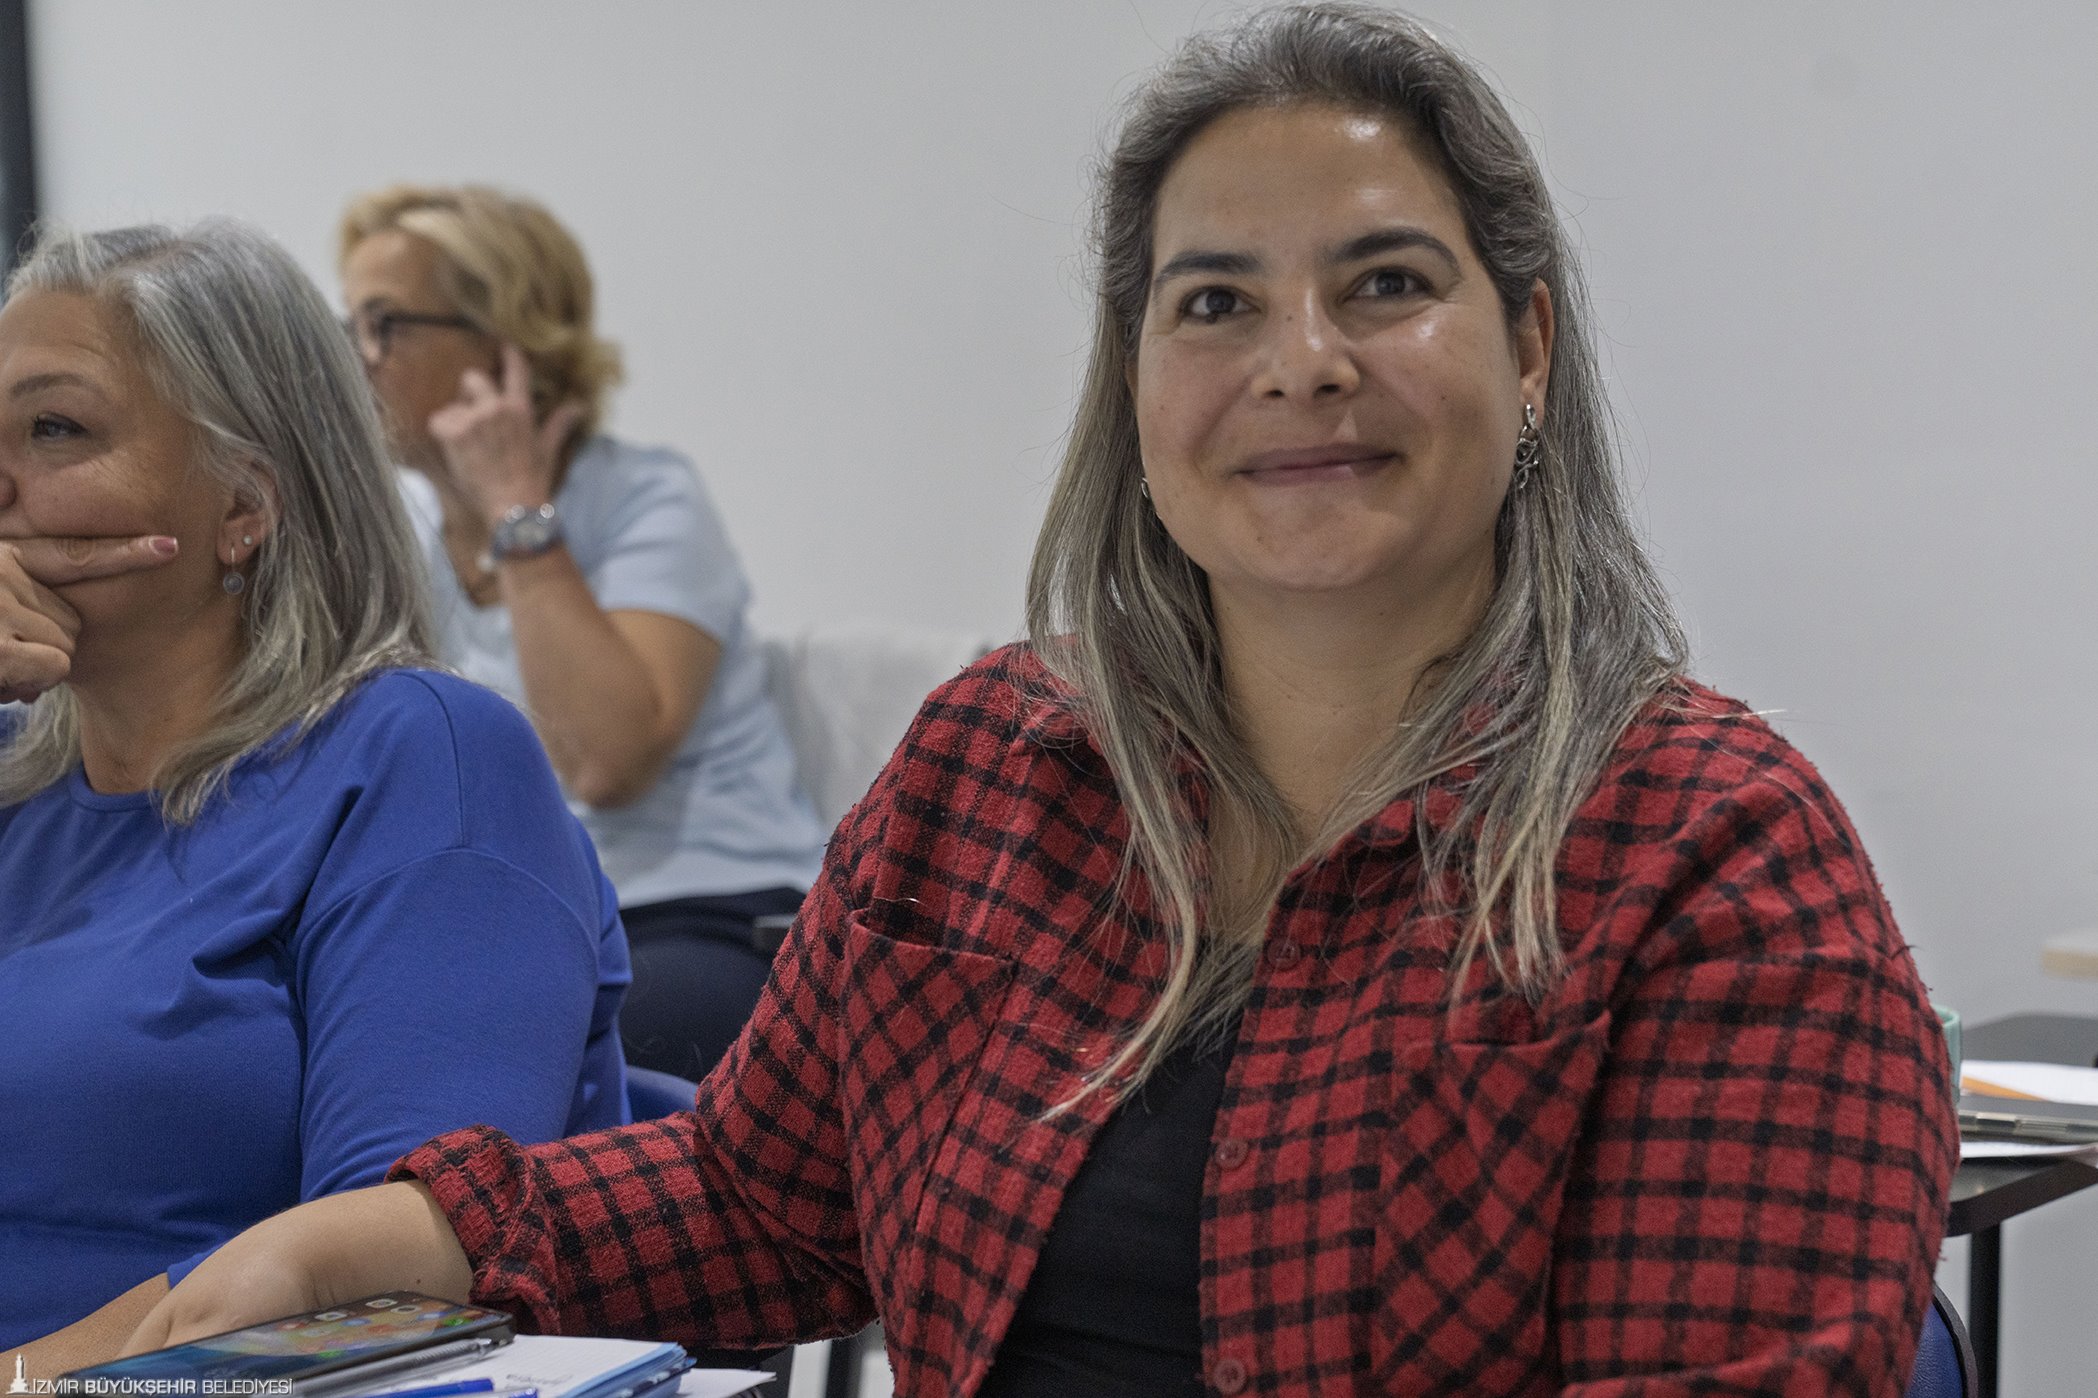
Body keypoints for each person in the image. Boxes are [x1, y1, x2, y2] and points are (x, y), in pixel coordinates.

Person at [131, 6, 1959, 1393]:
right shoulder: (995, 764)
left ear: (1529, 346)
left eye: (1386, 285)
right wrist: (384, 1239)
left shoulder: (1715, 857)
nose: (1300, 363)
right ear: (1134, 379)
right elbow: (764, 1198)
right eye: (1213, 302)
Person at [0, 222, 632, 1369]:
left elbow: (382, 1288)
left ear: (244, 505)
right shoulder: (13, 773)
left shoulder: (421, 757)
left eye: (55, 429)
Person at [335, 185, 826, 1080]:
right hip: (519, 925)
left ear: (503, 341)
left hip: (699, 914)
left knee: (514, 1059)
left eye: (385, 325)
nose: (355, 358)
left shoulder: (648, 498)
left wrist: (515, 508)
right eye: (350, 325)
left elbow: (607, 762)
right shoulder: (396, 525)